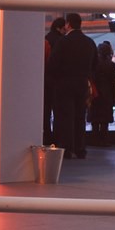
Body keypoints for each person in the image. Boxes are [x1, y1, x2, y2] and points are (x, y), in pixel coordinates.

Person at [47, 13, 97, 159]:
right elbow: (95, 64)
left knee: (65, 117)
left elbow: (53, 64)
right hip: (82, 83)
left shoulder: (63, 42)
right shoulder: (89, 42)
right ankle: (80, 147)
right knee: (80, 116)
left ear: (68, 24)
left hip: (64, 84)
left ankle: (67, 148)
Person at [89, 41, 115, 145]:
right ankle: (104, 140)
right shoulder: (111, 66)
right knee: (104, 120)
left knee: (95, 119)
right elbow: (114, 82)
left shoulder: (94, 65)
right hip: (107, 95)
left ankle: (94, 139)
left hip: (95, 94)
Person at [43, 17, 66, 146]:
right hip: (59, 82)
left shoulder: (47, 40)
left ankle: (47, 136)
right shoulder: (62, 41)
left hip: (46, 82)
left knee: (46, 111)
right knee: (59, 112)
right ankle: (58, 138)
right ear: (59, 28)